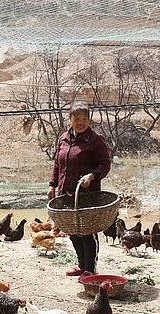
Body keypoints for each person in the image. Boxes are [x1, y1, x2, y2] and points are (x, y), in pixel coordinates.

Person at [48, 101, 111, 277]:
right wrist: (52, 185)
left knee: (87, 232)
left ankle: (90, 269)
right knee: (72, 230)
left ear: (89, 120)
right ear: (70, 119)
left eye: (84, 118)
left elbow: (105, 164)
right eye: (77, 118)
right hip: (65, 193)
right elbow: (57, 164)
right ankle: (81, 265)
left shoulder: (96, 139)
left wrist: (91, 176)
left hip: (86, 195)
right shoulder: (63, 138)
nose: (81, 122)